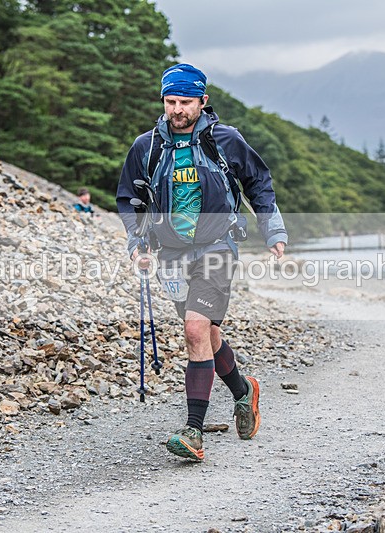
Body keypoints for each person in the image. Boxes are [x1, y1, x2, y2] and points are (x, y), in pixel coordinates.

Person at [116, 63, 287, 461]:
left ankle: (194, 431)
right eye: (171, 101)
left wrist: (274, 231)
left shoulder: (224, 140)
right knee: (206, 335)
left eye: (185, 102)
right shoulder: (147, 147)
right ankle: (244, 391)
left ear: (202, 102)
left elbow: (258, 182)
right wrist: (137, 242)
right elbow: (130, 198)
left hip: (217, 248)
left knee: (194, 330)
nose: (177, 110)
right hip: (171, 254)